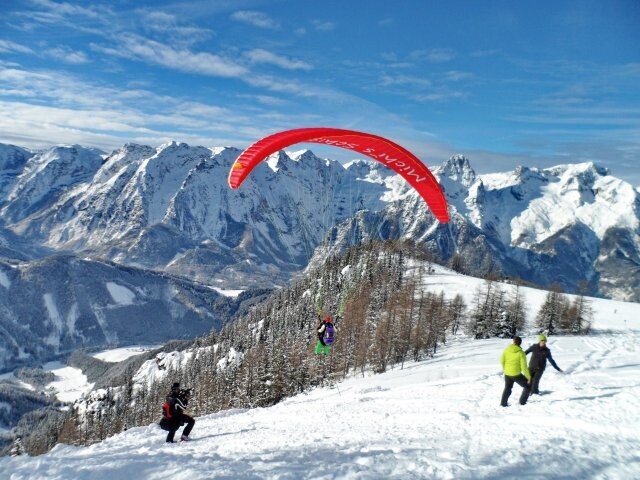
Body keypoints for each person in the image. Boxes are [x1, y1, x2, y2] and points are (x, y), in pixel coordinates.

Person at [500, 336, 531, 407]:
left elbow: (502, 361)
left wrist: (505, 369)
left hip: (507, 373)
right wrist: (528, 377)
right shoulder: (521, 353)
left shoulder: (506, 350)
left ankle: (503, 404)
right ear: (520, 343)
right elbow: (524, 367)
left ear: (513, 342)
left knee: (507, 388)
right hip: (516, 374)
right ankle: (522, 402)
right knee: (528, 386)